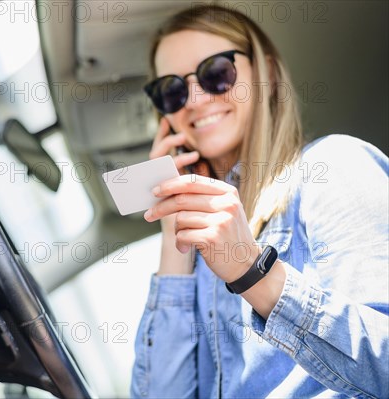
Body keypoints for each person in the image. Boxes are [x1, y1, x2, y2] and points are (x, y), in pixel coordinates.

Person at [131, 5, 388, 398]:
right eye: (173, 90)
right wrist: (174, 235)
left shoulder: (333, 166)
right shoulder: (198, 253)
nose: (195, 100)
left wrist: (254, 273)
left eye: (216, 72)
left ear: (264, 74)